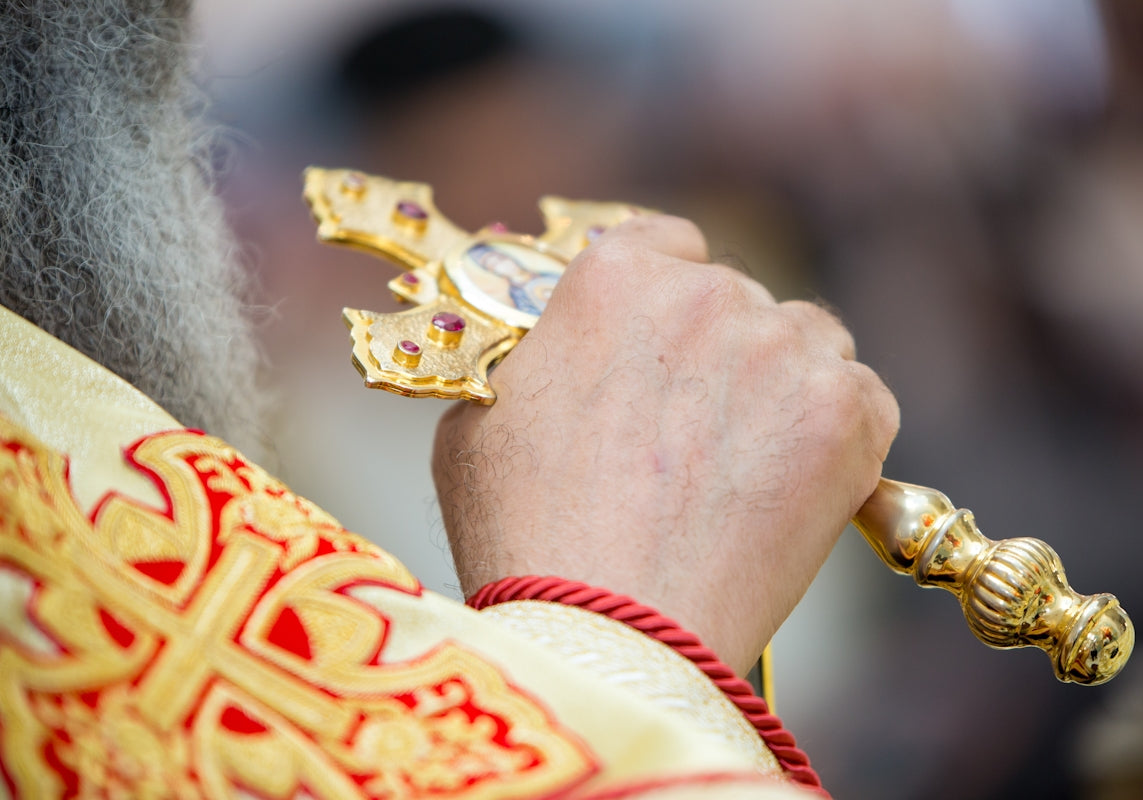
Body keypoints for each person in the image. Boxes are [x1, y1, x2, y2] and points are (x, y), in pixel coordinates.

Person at [0, 2, 897, 797]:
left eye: (523, 134)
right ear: (397, 161)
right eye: (459, 151)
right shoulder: (313, 418)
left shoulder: (704, 295)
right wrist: (628, 656)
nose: (502, 177)